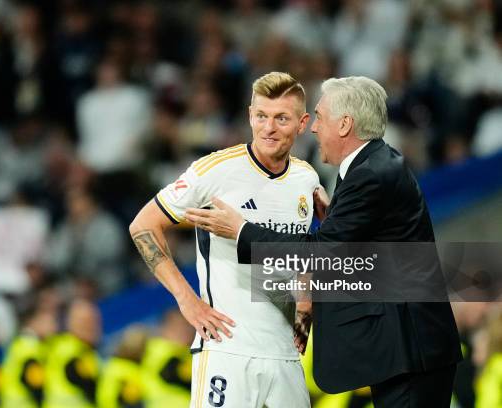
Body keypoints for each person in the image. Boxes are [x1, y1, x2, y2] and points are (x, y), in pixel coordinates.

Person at [184, 76, 462, 407]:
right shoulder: (373, 164)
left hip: (410, 353)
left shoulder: (370, 174)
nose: (313, 128)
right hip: (407, 351)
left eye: (319, 116)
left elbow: (322, 254)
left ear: (344, 124)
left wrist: (242, 230)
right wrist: (333, 221)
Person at [130, 72, 317, 407]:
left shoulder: (306, 179)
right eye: (261, 116)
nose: (269, 128)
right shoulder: (215, 170)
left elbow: (304, 249)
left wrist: (305, 302)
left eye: (281, 118)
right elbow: (143, 225)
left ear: (302, 123)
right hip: (227, 348)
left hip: (286, 354)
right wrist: (187, 299)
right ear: (249, 115)